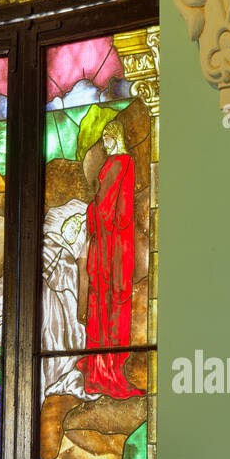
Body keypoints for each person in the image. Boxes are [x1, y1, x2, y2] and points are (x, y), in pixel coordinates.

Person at [76, 123, 144, 400]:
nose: (105, 141)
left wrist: (92, 210)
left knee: (109, 303)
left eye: (108, 136)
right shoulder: (115, 164)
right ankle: (102, 369)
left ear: (118, 137)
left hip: (113, 247)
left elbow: (107, 207)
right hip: (111, 245)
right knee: (106, 304)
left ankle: (106, 370)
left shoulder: (120, 163)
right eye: (103, 137)